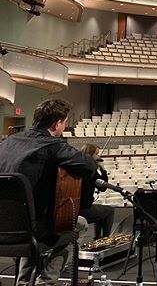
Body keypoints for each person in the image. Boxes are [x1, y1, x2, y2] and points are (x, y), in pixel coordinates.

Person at [0, 99, 97, 286]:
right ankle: (46, 282)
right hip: (30, 230)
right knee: (79, 225)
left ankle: (23, 282)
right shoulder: (53, 146)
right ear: (57, 123)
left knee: (33, 222)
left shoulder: (6, 143)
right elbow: (88, 165)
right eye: (65, 122)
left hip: (4, 225)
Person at [78, 143, 115, 240]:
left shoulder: (78, 167)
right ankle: (106, 240)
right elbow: (103, 187)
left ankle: (98, 238)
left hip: (75, 208)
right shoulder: (90, 170)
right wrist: (103, 169)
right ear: (90, 155)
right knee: (110, 211)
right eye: (96, 154)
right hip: (84, 209)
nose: (98, 156)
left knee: (100, 211)